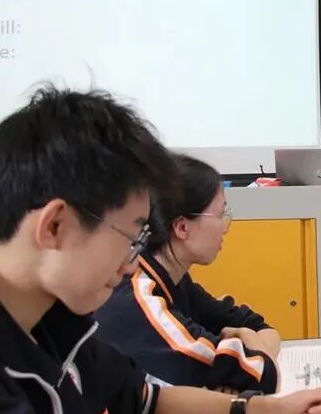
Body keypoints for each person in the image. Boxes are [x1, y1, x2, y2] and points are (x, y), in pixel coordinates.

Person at [0, 86, 321, 414]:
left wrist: (258, 412)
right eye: (132, 236)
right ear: (55, 226)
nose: (132, 263)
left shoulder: (53, 322)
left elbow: (145, 400)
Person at [96, 153, 280, 393]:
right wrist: (253, 344)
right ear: (182, 227)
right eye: (220, 214)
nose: (225, 227)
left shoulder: (173, 278)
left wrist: (251, 341)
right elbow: (261, 375)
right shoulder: (138, 295)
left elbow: (257, 325)